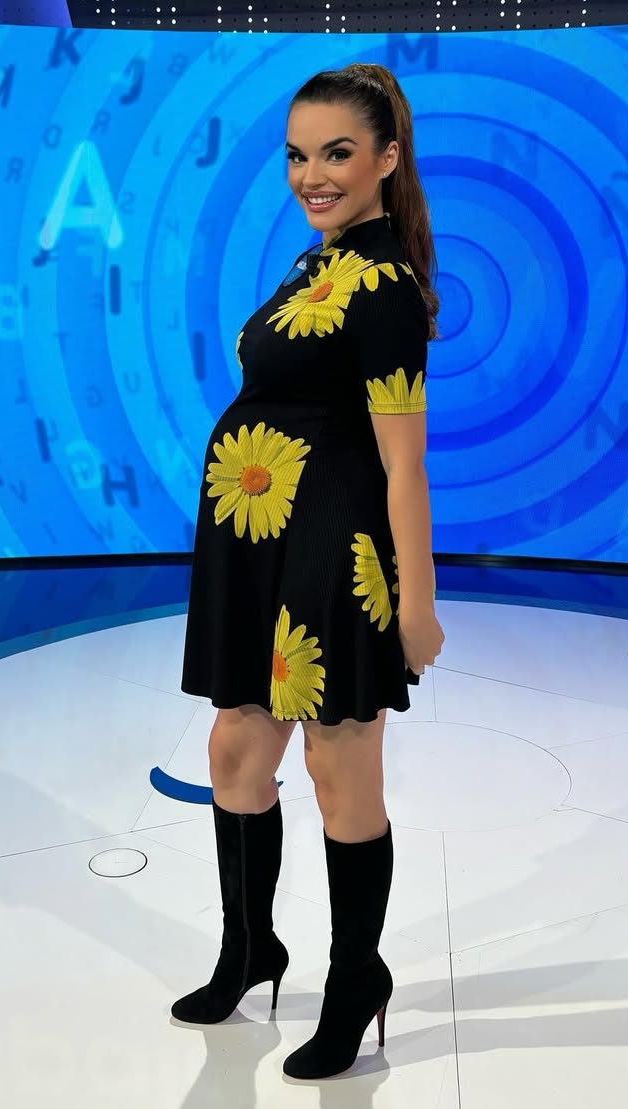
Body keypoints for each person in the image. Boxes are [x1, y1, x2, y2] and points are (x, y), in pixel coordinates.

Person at [176, 62, 445, 1080]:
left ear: (387, 158)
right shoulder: (311, 265)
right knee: (236, 755)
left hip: (331, 552)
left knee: (339, 769)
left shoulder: (385, 288)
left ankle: (354, 977)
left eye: (337, 152)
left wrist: (416, 601)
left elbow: (404, 461)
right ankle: (252, 946)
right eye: (297, 154)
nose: (312, 174)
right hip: (257, 548)